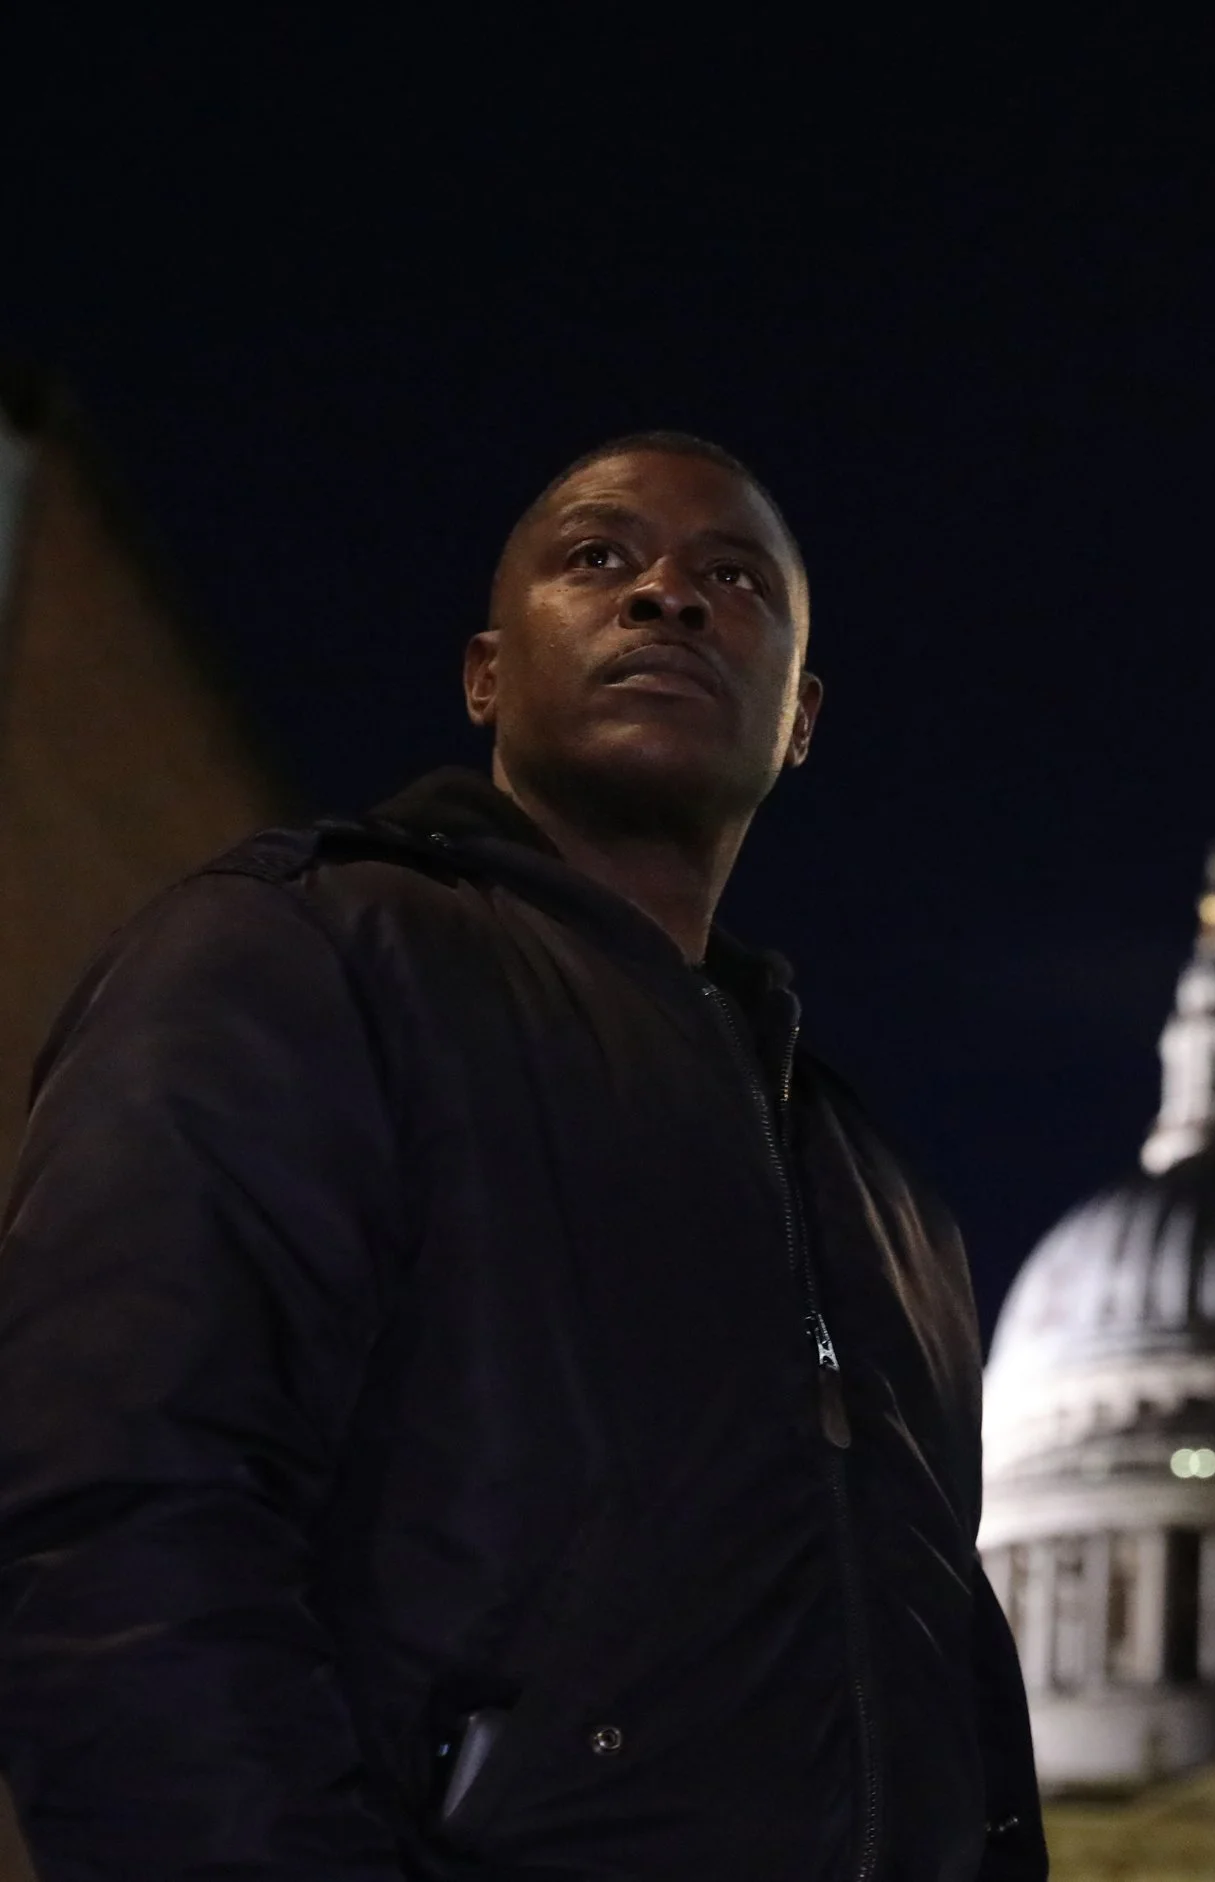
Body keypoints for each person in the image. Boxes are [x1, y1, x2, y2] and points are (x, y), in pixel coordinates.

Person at [0, 433, 1044, 1880]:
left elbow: (950, 1700)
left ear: (801, 716)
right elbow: (114, 1525)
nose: (667, 594)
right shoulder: (296, 955)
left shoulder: (887, 1202)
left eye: (735, 578)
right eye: (600, 558)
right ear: (485, 675)